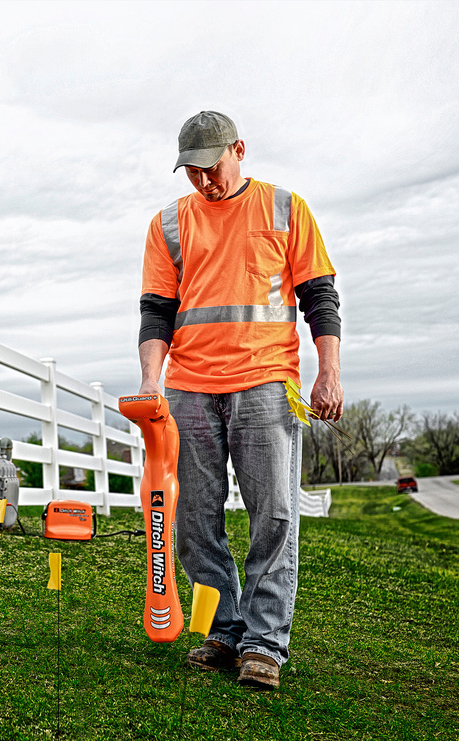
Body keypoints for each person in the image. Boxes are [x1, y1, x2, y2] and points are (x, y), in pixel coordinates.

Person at [137, 111, 343, 689]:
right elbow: (157, 310)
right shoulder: (169, 223)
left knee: (273, 514)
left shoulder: (284, 207)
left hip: (265, 382)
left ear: (240, 149)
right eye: (192, 171)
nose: (204, 181)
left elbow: (319, 296)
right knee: (194, 518)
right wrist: (152, 382)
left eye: (212, 166)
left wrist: (329, 371)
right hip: (189, 386)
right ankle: (223, 630)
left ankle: (264, 643)